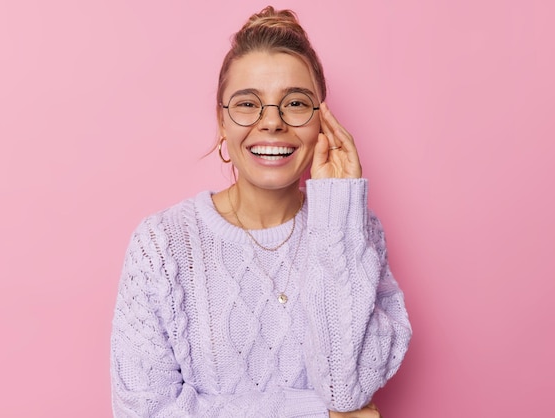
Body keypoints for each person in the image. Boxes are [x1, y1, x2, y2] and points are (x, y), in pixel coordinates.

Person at [110, 6, 411, 417]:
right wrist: (313, 413)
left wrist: (338, 208)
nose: (272, 122)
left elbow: (345, 390)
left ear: (322, 121)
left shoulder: (354, 229)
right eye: (248, 104)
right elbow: (144, 412)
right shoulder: (161, 245)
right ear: (222, 122)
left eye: (295, 103)